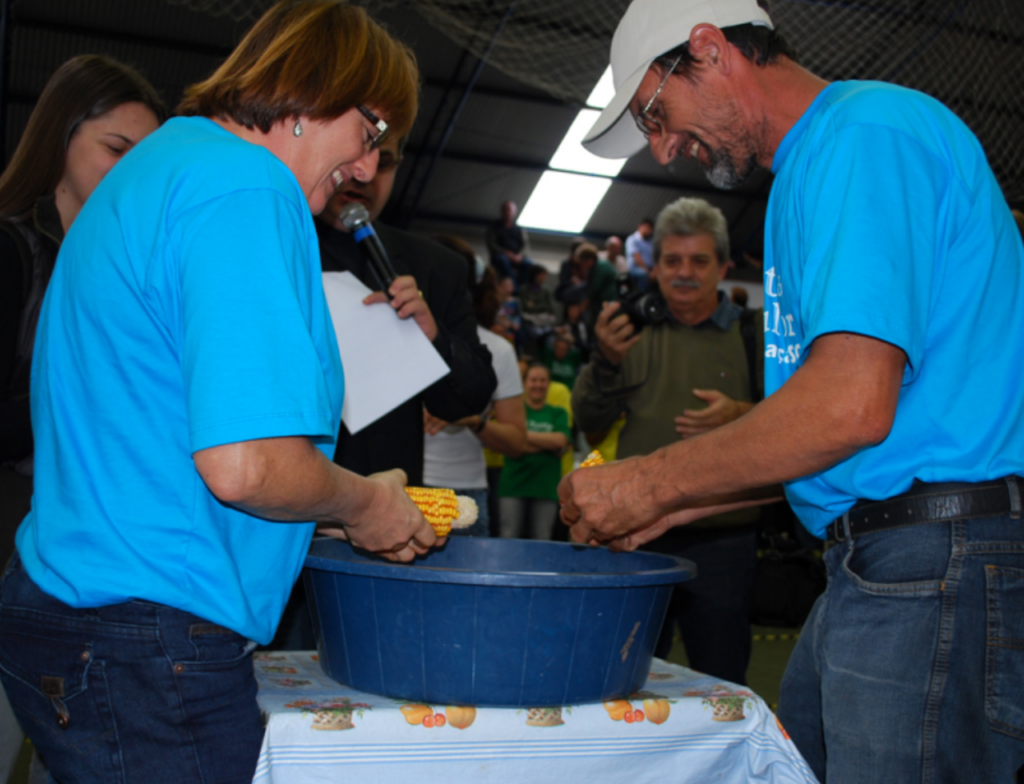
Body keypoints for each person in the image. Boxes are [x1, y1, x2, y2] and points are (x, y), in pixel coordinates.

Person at [564, 0, 1024, 781]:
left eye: (655, 113)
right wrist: (672, 505)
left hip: (930, 554)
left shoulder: (865, 134)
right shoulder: (806, 177)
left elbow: (850, 406)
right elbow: (831, 433)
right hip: (878, 552)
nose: (666, 148)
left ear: (707, 50)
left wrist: (649, 482)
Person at [0, 3, 438, 782]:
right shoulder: (247, 188)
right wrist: (364, 505)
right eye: (370, 131)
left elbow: (154, 437)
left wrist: (339, 515)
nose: (369, 168)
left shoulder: (164, 166)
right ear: (312, 89)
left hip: (77, 608)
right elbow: (243, 465)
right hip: (147, 633)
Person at [0, 55, 165, 783]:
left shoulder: (127, 277)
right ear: (60, 138)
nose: (131, 173)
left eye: (145, 160)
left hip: (80, 576)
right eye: (115, 149)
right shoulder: (10, 252)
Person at [572, 196, 762, 684]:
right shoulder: (630, 334)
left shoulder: (753, 337)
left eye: (699, 261)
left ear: (722, 267)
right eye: (672, 261)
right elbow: (589, 422)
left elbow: (801, 423)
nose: (685, 272)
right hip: (638, 534)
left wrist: (742, 415)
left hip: (726, 538)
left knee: (720, 678)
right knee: (622, 677)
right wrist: (605, 361)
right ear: (654, 269)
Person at [315, 133, 496, 486]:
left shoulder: (435, 265)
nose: (363, 173)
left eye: (383, 162)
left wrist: (433, 337)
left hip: (390, 505)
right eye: (351, 153)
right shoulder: (272, 247)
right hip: (289, 503)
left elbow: (470, 397)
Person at [423, 238, 528, 537]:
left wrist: (471, 419)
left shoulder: (498, 350)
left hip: (464, 490)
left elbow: (516, 441)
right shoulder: (395, 337)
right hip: (401, 483)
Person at [499, 363, 571, 540]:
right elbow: (509, 444)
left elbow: (561, 440)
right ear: (524, 384)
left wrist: (520, 437)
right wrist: (548, 443)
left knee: (542, 538)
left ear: (549, 384)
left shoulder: (558, 413)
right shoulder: (514, 412)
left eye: (543, 380)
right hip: (513, 486)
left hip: (546, 487)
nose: (538, 385)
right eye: (533, 380)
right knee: (509, 537)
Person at [485, 199, 534, 291]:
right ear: (501, 211)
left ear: (514, 212)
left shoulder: (519, 229)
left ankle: (521, 287)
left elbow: (525, 245)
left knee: (528, 263)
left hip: (516, 256)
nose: (507, 212)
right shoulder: (494, 227)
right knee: (503, 261)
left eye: (509, 210)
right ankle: (514, 287)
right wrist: (506, 253)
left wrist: (519, 255)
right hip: (501, 255)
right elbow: (491, 244)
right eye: (505, 209)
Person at [624, 217, 655, 291]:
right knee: (643, 274)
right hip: (636, 269)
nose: (648, 230)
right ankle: (643, 297)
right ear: (640, 227)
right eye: (647, 227)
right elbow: (636, 257)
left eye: (650, 228)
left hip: (651, 269)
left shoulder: (652, 242)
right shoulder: (632, 239)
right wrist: (648, 271)